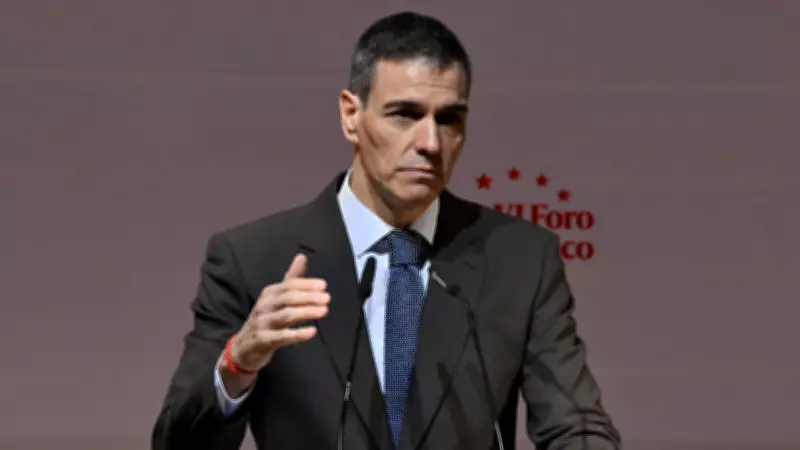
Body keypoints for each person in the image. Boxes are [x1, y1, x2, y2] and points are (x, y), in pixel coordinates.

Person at [151, 10, 621, 450]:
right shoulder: (252, 260)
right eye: (405, 115)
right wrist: (238, 363)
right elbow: (177, 443)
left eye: (449, 119)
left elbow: (576, 425)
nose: (430, 142)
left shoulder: (520, 260)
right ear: (351, 116)